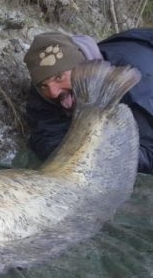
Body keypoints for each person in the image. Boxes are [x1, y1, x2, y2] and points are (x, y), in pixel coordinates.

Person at [22, 29, 153, 174]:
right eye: (43, 85)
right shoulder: (45, 87)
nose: (53, 92)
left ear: (81, 67)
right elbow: (45, 136)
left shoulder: (134, 88)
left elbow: (149, 154)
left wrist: (101, 154)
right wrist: (76, 152)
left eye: (59, 78)